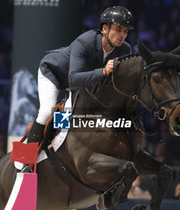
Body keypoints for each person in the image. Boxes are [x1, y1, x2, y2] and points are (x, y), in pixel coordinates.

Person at [27, 6, 134, 145]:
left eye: (125, 31)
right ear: (105, 29)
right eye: (118, 29)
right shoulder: (85, 41)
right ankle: (24, 160)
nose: (122, 35)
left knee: (73, 118)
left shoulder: (125, 49)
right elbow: (73, 80)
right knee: (47, 110)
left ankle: (52, 150)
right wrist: (103, 71)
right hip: (54, 73)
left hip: (83, 82)